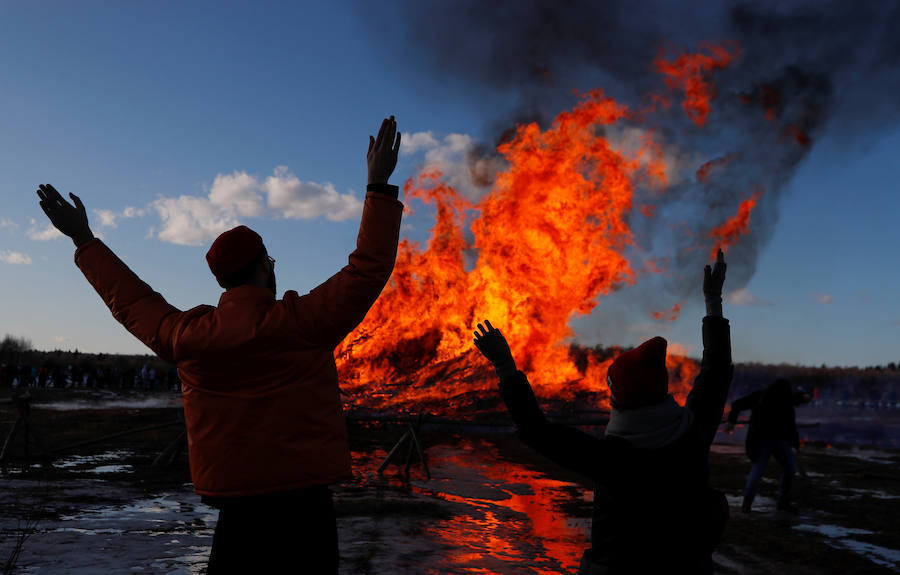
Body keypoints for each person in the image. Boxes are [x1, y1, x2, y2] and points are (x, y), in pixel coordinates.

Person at [36, 116, 403, 574]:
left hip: (237, 514)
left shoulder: (187, 337)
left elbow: (130, 300)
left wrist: (83, 239)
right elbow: (367, 268)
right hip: (306, 510)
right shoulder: (304, 323)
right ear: (265, 267)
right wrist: (377, 187)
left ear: (221, 281)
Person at [473, 250, 732, 575]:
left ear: (618, 399)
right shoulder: (692, 434)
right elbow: (717, 371)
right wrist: (713, 299)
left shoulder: (614, 459)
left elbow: (535, 430)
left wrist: (503, 364)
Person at [725, 378, 810, 514]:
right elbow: (737, 404)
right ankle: (749, 504)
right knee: (763, 470)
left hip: (777, 441)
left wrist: (731, 421)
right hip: (763, 440)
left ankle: (779, 502)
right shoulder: (774, 397)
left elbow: (737, 404)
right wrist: (731, 421)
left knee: (786, 469)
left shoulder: (770, 397)